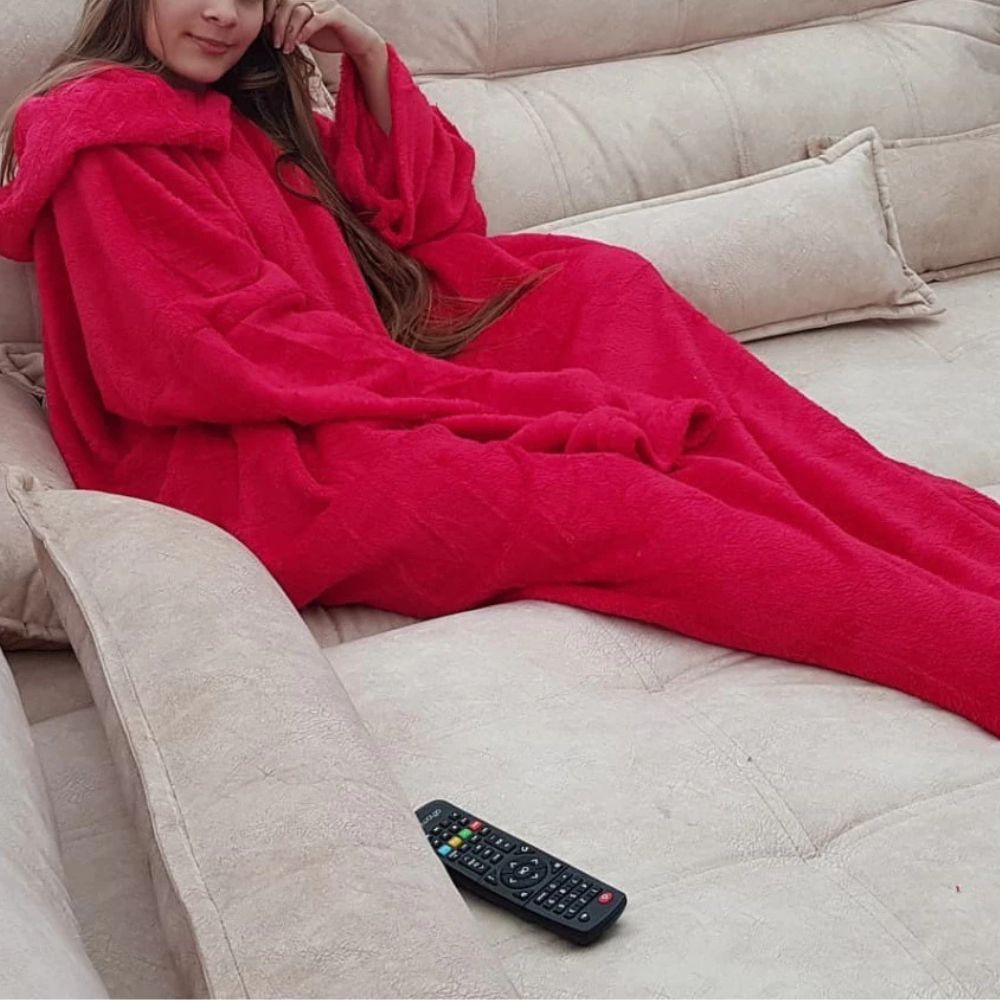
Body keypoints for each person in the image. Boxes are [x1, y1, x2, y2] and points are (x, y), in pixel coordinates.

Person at [1, 1, 999, 735]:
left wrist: (367, 55)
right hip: (247, 456)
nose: (225, 14)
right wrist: (497, 400)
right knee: (617, 493)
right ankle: (966, 645)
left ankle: (938, 537)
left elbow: (428, 225)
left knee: (603, 292)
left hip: (345, 366)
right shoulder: (105, 137)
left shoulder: (237, 103)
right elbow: (202, 356)